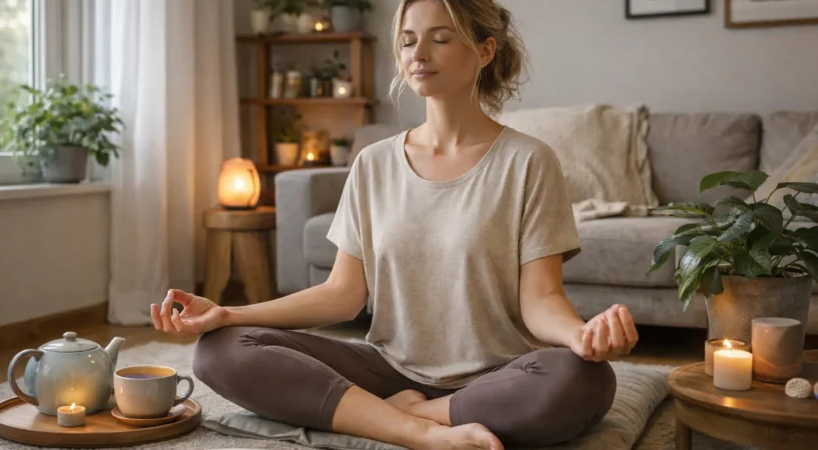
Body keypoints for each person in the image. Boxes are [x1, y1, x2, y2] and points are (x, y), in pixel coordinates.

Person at [150, 1, 638, 449]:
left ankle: (419, 413)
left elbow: (541, 299)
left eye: (440, 38)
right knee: (219, 352)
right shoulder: (373, 164)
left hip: (495, 374)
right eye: (408, 40)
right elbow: (342, 294)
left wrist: (580, 336)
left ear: (485, 51)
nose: (418, 53)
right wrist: (229, 314)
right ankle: (414, 431)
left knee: (585, 379)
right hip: (386, 368)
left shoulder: (529, 162)